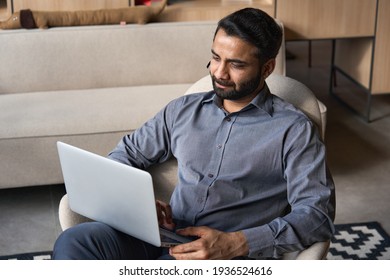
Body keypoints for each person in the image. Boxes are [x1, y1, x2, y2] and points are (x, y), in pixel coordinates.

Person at [53, 7, 335, 260]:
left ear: (267, 68)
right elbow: (125, 155)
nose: (219, 72)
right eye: (215, 58)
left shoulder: (294, 130)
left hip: (228, 256)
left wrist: (237, 243)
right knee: (75, 242)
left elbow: (317, 215)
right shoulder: (183, 110)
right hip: (163, 235)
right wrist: (135, 203)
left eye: (236, 64)